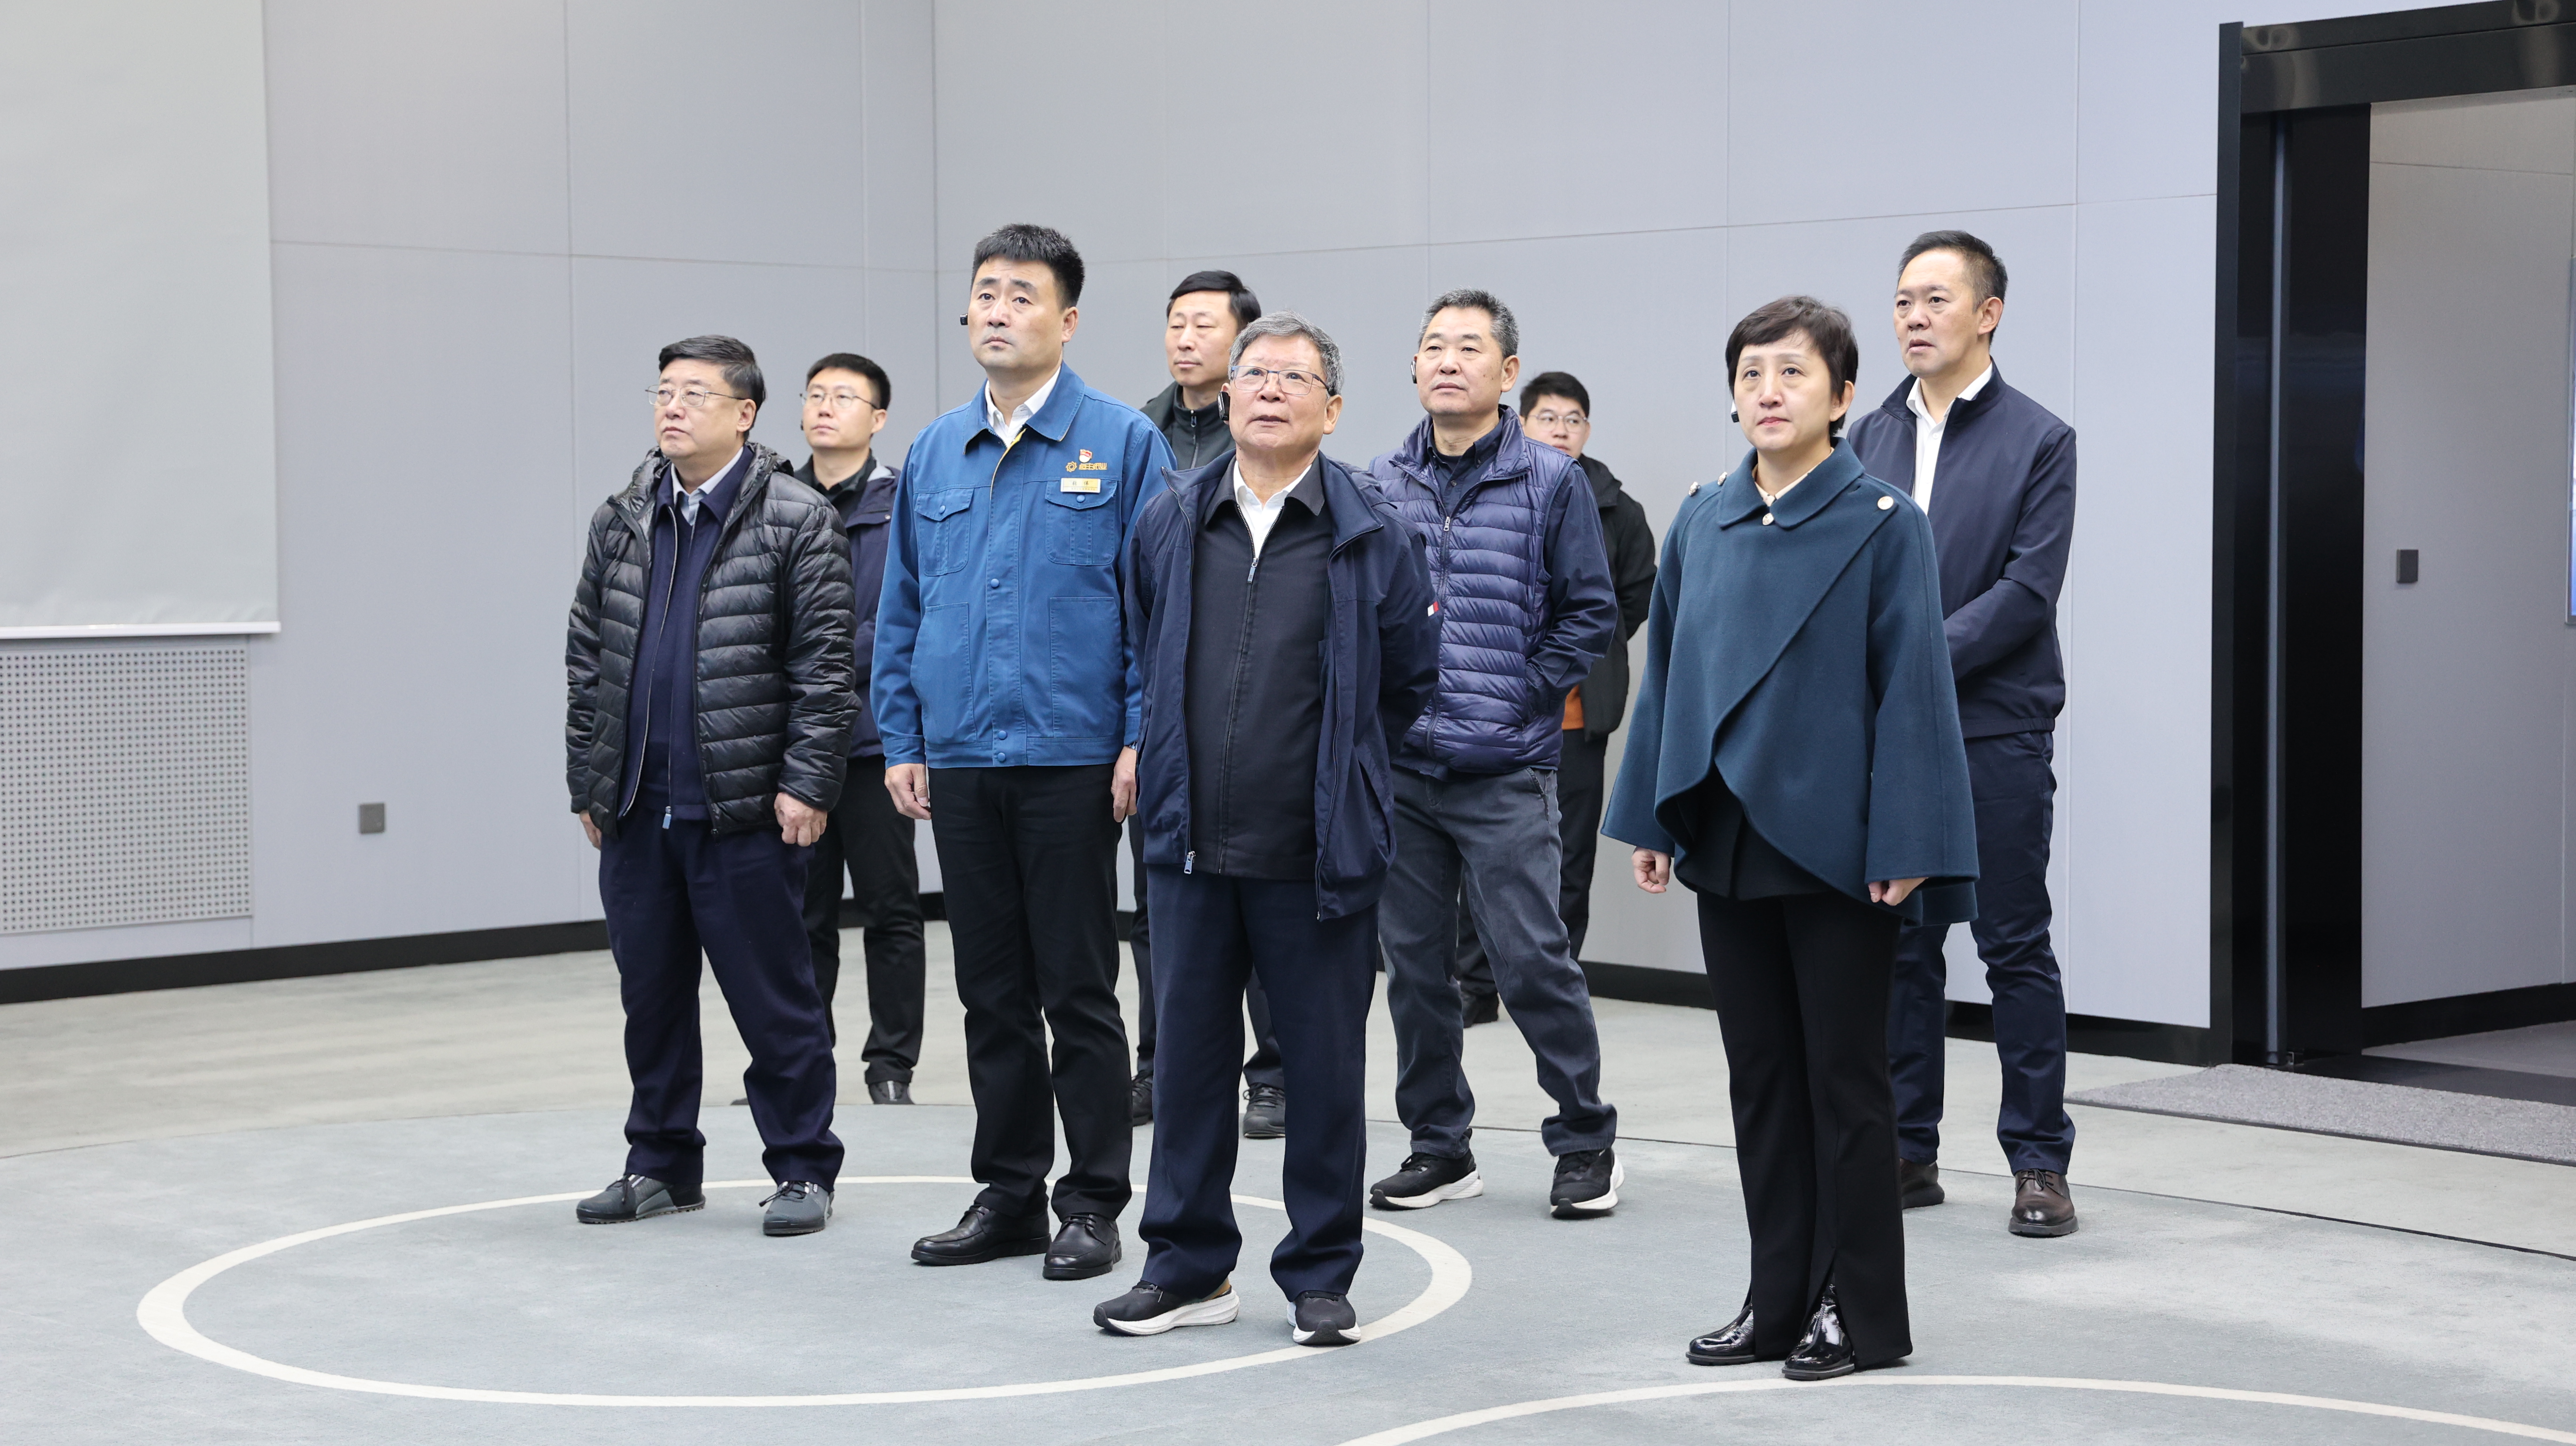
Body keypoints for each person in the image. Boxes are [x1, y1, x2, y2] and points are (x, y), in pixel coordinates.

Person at [1606, 296, 1977, 1380]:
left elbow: (1914, 689)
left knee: (1846, 1086)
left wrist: (1906, 839)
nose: (1769, 392)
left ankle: (1858, 1313)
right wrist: (1655, 814)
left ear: (1843, 396)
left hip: (1840, 845)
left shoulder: (1885, 522)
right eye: (1752, 374)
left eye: (1794, 373)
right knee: (1761, 1081)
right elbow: (1668, 674)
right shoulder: (1703, 518)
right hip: (1726, 834)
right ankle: (1777, 1303)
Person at [1095, 312, 1437, 1344]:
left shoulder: (1373, 532)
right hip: (1189, 845)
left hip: (1317, 852)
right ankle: (1187, 1267)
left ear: (1332, 409)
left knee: (1323, 1073)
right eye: (1255, 375)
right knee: (1188, 1068)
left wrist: (1344, 775)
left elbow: (1406, 682)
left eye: (1295, 378)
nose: (1270, 390)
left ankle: (1321, 1273)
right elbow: (1144, 641)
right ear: (1229, 394)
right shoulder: (1171, 519)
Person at [874, 224, 1173, 1282]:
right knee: (989, 989)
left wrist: (1138, 735)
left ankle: (1092, 1201)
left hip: (1073, 757)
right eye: (986, 293)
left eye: (1022, 295)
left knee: (1078, 989)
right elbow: (902, 607)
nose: (998, 311)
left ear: (1068, 319)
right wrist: (902, 737)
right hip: (959, 756)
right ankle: (1007, 1193)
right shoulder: (934, 450)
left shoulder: (1122, 441)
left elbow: (1154, 609)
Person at [564, 334, 855, 1238]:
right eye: (663, 391)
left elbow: (826, 668)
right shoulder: (623, 517)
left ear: (745, 413)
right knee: (650, 998)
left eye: (695, 393)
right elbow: (586, 660)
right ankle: (660, 1163)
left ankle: (802, 1166)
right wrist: (590, 780)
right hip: (636, 808)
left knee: (774, 999)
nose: (673, 407)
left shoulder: (797, 518)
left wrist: (807, 784)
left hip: (745, 809)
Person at [1364, 289, 1624, 1219]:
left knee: (1531, 962)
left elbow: (1591, 610)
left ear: (1507, 372)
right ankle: (1440, 1146)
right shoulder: (1380, 480)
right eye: (1434, 345)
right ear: (1414, 367)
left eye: (1469, 347)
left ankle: (1586, 1139)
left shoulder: (1551, 481)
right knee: (1415, 975)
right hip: (1406, 771)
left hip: (1506, 768)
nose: (1448, 360)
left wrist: (1524, 691)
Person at [1846, 231, 2080, 1237]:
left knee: (2014, 944)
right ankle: (1908, 1150)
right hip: (1890, 735)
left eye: (1936, 299)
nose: (1914, 317)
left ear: (1988, 314)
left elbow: (2029, 591)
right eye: (1904, 300)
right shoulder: (1863, 438)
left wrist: (1914, 657)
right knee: (1901, 946)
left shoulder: (2041, 438)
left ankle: (2039, 1162)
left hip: (1995, 728)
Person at [1128, 269, 1290, 1140]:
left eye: (1205, 325)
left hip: (1259, 719)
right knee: (1160, 911)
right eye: (1175, 323)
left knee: (1262, 909)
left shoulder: (1270, 438)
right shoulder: (1134, 436)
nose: (1185, 339)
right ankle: (1161, 1066)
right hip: (1166, 719)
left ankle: (1272, 1076)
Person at [1450, 371, 1656, 1025]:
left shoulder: (1618, 509)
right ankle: (1476, 986)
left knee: (1567, 858)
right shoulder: (1489, 487)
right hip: (1491, 714)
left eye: (1574, 420)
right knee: (1482, 854)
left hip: (1576, 719)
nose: (1562, 430)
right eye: (1549, 418)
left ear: (1587, 431)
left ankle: (1552, 989)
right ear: (1522, 422)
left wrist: (1584, 657)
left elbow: (1632, 597)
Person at [793, 352, 925, 1106]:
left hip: (876, 740)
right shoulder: (775, 501)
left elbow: (907, 616)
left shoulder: (902, 502)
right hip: (795, 748)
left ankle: (891, 1066)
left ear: (877, 419)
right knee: (800, 915)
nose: (824, 407)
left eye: (844, 397)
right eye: (815, 395)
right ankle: (802, 1062)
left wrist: (821, 657)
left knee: (890, 908)